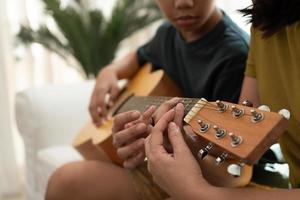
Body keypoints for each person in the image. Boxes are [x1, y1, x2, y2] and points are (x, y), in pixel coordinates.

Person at [45, 0, 249, 199]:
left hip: (197, 176)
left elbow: (227, 165)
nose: (182, 3)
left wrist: (162, 141)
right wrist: (110, 71)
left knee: (65, 182)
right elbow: (136, 58)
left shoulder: (235, 56)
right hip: (156, 160)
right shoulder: (168, 33)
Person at [144, 0, 300, 199]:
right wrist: (179, 140)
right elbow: (236, 153)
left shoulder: (235, 48)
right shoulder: (263, 23)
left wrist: (198, 193)